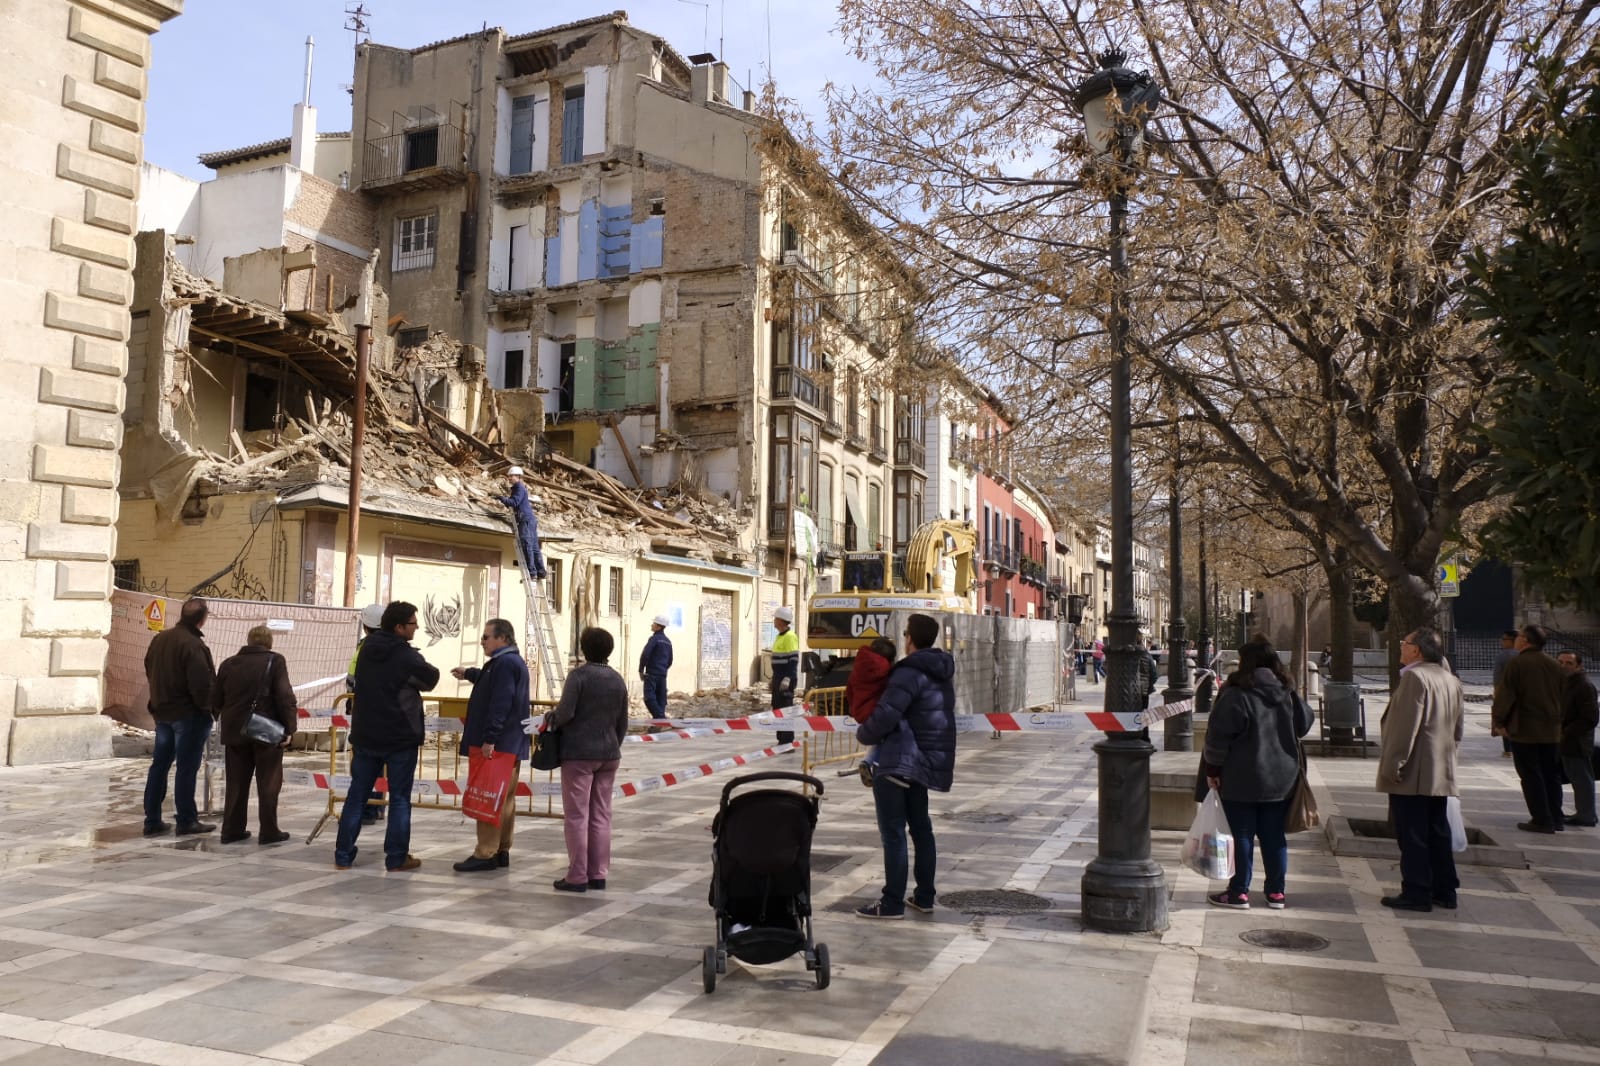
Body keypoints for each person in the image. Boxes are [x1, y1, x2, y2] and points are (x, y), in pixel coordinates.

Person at [855, 613, 957, 920]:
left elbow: (886, 716)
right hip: (922, 763)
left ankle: (891, 903)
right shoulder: (941, 671)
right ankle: (924, 897)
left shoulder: (907, 673)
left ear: (909, 638)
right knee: (922, 830)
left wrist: (864, 734)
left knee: (894, 834)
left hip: (898, 761)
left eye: (905, 634)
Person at [1201, 636, 1314, 910]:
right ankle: (1276, 893)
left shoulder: (1236, 693)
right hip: (1281, 777)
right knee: (1274, 835)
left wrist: (1213, 769)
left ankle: (1239, 892)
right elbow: (1305, 723)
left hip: (1241, 776)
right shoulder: (1286, 691)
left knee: (1241, 834)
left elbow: (1217, 738)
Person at [334, 601, 440, 872]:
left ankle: (343, 853)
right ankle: (396, 857)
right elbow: (429, 679)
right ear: (399, 627)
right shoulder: (405, 656)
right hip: (399, 737)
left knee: (357, 795)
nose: (417, 628)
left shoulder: (366, 648)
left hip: (366, 734)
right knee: (400, 799)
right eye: (413, 624)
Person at [1376, 627, 1464, 912]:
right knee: (1438, 831)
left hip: (1414, 771)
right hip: (1440, 767)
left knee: (1412, 833)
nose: (1400, 646)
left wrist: (1394, 764)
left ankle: (1416, 891)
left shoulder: (1415, 677)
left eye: (1404, 642)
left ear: (1417, 650)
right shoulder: (1450, 679)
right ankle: (1445, 889)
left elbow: (1405, 728)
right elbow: (1458, 729)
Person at [547, 626, 630, 892]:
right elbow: (622, 722)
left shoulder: (578, 676)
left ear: (584, 648)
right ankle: (598, 873)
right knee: (602, 814)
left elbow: (565, 713)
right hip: (609, 754)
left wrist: (551, 717)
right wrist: (612, 744)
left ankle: (577, 875)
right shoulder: (617, 679)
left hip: (579, 754)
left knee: (576, 816)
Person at [450, 618, 532, 872]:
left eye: (486, 637)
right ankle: (502, 849)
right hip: (510, 744)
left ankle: (485, 852)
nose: (483, 641)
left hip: (498, 746)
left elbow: (501, 702)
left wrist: (490, 738)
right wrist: (470, 673)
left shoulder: (505, 664)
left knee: (489, 797)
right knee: (505, 800)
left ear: (503, 638)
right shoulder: (506, 662)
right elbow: (492, 682)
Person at [213, 625, 298, 846]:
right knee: (268, 782)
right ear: (269, 642)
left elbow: (216, 699)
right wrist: (290, 728)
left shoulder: (228, 663)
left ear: (249, 640)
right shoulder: (275, 661)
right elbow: (284, 696)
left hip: (234, 731)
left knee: (236, 782)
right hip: (265, 730)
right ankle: (269, 831)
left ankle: (231, 829)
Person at [143, 596, 218, 837]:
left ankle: (152, 819)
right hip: (188, 714)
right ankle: (186, 819)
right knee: (187, 768)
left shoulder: (160, 639)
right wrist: (209, 709)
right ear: (202, 619)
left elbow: (149, 668)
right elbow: (201, 683)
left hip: (162, 711)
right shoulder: (193, 645)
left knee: (160, 766)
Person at [1491, 624, 1567, 833]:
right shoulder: (1554, 665)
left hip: (1525, 729)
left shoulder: (1518, 664)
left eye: (1520, 636)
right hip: (1551, 730)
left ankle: (1541, 819)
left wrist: (1499, 722)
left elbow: (1505, 696)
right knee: (1551, 774)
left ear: (1524, 640)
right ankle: (1555, 816)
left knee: (1531, 775)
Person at [347, 603, 388, 824]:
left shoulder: (365, 647)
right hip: (384, 717)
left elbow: (352, 681)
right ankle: (377, 807)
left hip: (365, 716)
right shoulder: (393, 646)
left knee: (365, 766)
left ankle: (369, 809)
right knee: (379, 765)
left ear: (365, 626)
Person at [847, 636, 898, 785]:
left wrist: (853, 708)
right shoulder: (887, 670)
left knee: (877, 739)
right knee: (883, 739)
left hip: (860, 711)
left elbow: (849, 689)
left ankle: (868, 761)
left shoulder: (858, 665)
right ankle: (868, 761)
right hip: (876, 711)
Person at [1558, 650, 1598, 828]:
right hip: (1568, 739)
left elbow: (1589, 718)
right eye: (1561, 662)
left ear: (1578, 666)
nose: (1564, 667)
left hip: (1577, 741)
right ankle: (1584, 812)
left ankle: (1587, 815)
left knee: (1582, 778)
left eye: (1569, 663)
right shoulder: (1567, 683)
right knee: (1577, 778)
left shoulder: (1583, 685)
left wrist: (1566, 732)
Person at [498, 466, 547, 579]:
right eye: (509, 476)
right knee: (534, 546)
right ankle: (541, 572)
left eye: (511, 476)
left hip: (525, 520)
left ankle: (532, 572)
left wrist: (502, 498)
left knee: (527, 545)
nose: (509, 478)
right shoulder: (518, 488)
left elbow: (514, 502)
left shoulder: (519, 487)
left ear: (518, 476)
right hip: (530, 519)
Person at [770, 605, 800, 747]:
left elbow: (793, 660)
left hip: (786, 678)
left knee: (786, 709)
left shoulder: (790, 637)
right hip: (778, 677)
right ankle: (781, 739)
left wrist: (788, 678)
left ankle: (787, 741)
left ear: (782, 620)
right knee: (777, 708)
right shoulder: (779, 636)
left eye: (776, 618)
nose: (774, 621)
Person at [639, 613, 673, 724]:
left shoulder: (654, 639)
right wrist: (663, 669)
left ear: (658, 627)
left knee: (649, 698)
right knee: (661, 700)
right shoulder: (668, 642)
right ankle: (660, 725)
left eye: (654, 623)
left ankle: (660, 718)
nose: (651, 625)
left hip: (652, 674)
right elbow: (670, 660)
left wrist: (641, 670)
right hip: (663, 675)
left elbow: (645, 654)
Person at [1493, 629, 1519, 758]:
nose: (1501, 642)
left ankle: (1508, 749)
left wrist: (1496, 693)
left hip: (1506, 694)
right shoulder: (1523, 654)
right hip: (1522, 694)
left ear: (1512, 641)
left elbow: (1497, 677)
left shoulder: (1502, 656)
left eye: (1504, 639)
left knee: (1506, 720)